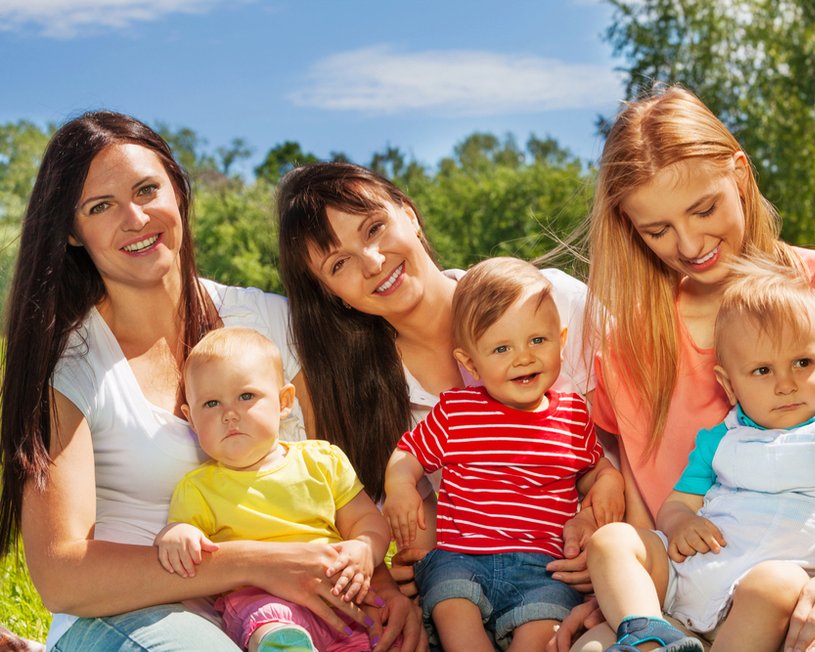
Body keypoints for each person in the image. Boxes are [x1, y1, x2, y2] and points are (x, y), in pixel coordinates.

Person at [0, 111, 423, 652]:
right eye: (100, 207)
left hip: (289, 612)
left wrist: (381, 588)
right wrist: (255, 563)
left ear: (178, 191)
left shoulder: (271, 322)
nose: (134, 218)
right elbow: (61, 574)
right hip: (130, 615)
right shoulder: (73, 363)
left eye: (147, 189)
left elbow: (329, 488)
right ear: (72, 232)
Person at [550, 85, 815, 652]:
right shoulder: (630, 345)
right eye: (656, 230)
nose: (689, 245)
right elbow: (647, 524)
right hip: (695, 586)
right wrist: (626, 598)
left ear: (740, 172)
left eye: (704, 208)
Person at [276, 162, 598, 594]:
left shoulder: (554, 300)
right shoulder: (364, 406)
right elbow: (395, 535)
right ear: (333, 295)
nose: (372, 263)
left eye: (373, 229)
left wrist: (612, 536)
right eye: (339, 264)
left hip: (596, 577)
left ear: (408, 214)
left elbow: (637, 443)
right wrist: (408, 571)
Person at [586, 259, 815, 652]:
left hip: (774, 595)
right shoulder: (719, 439)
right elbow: (677, 504)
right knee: (611, 541)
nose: (786, 384)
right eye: (762, 371)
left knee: (773, 583)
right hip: (698, 574)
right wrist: (681, 521)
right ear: (728, 383)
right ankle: (649, 636)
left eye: (803, 363)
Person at [383, 257, 624, 651]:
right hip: (462, 557)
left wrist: (609, 480)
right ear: (470, 362)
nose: (523, 357)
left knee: (542, 628)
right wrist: (400, 485)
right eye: (501, 348)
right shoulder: (456, 411)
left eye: (537, 341)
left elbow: (590, 468)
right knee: (452, 606)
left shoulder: (571, 414)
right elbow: (408, 453)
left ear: (561, 340)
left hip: (542, 567)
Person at [157, 327, 392, 652]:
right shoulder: (198, 487)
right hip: (260, 597)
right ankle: (283, 646)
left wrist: (365, 547)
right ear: (191, 419)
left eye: (246, 396)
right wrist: (176, 533)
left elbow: (366, 519)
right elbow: (183, 541)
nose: (229, 414)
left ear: (284, 402)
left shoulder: (322, 461)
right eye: (211, 403)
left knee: (371, 640)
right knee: (266, 619)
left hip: (338, 598)